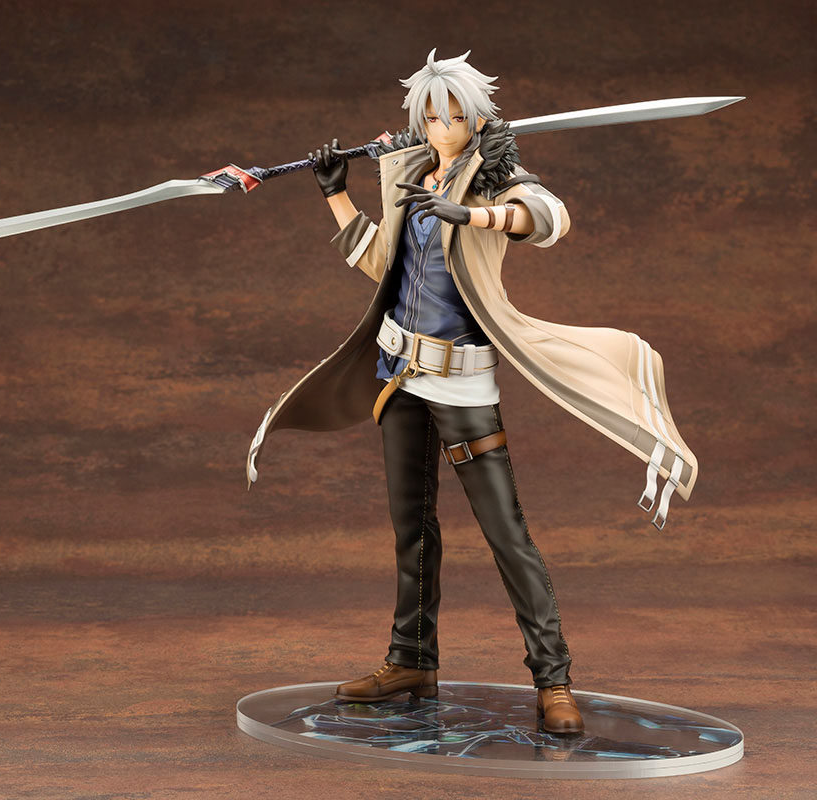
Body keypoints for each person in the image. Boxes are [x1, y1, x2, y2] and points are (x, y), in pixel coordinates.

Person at [246, 49, 698, 735]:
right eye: (432, 116)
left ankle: (553, 679)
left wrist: (471, 215)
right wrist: (336, 194)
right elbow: (381, 263)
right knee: (411, 529)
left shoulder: (496, 177)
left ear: (478, 119)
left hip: (462, 381)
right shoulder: (408, 175)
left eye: (455, 116)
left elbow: (548, 218)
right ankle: (411, 661)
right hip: (399, 377)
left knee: (505, 534)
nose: (443, 127)